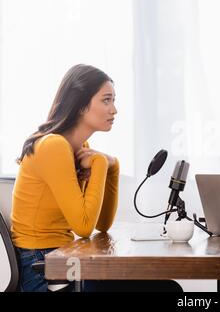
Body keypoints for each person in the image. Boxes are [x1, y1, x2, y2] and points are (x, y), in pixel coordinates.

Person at [11, 64, 182, 292]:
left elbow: (102, 225)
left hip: (63, 260)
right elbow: (83, 226)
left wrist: (113, 166)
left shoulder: (80, 148)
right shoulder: (53, 146)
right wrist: (102, 163)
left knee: (167, 289)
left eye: (113, 100)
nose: (114, 110)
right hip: (42, 271)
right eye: (106, 100)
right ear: (81, 106)